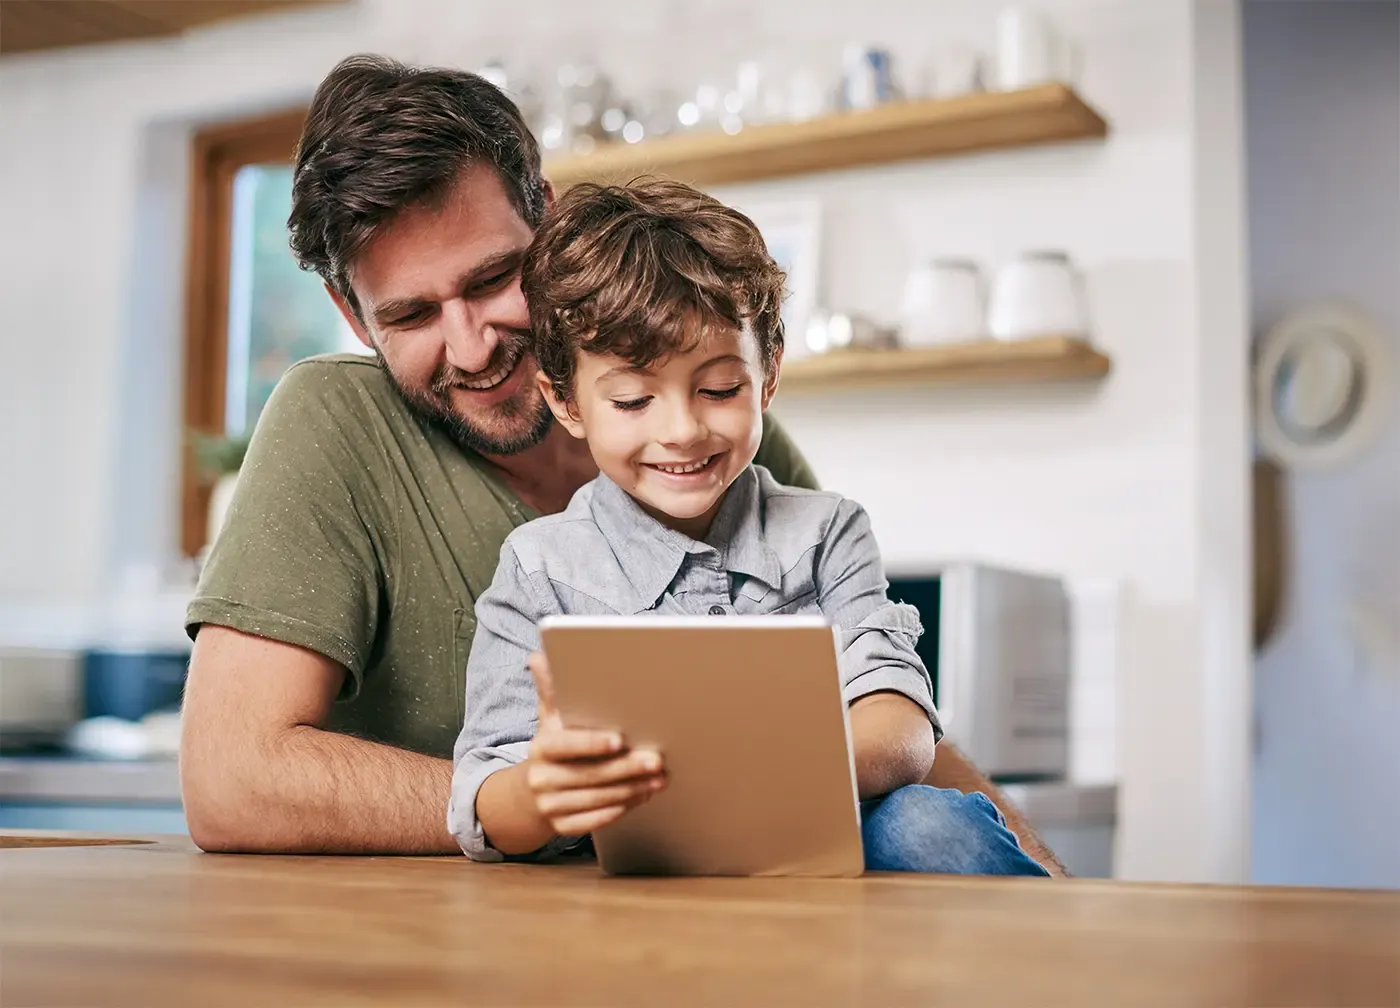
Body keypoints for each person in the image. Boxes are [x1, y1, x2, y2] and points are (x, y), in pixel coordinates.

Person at [178, 53, 1067, 875]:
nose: (472, 344)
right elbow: (230, 778)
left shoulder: (723, 449)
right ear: (349, 309)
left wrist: (1046, 881)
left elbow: (871, 690)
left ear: (552, 224)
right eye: (411, 315)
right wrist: (542, 802)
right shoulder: (339, 422)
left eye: (494, 279)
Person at [447, 179, 1048, 876]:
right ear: (568, 403)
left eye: (719, 390)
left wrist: (745, 768)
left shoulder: (826, 533)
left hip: (823, 855)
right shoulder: (540, 567)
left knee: (928, 824)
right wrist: (540, 792)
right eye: (634, 399)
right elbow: (485, 800)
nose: (683, 430)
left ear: (766, 379)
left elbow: (902, 727)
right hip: (629, 884)